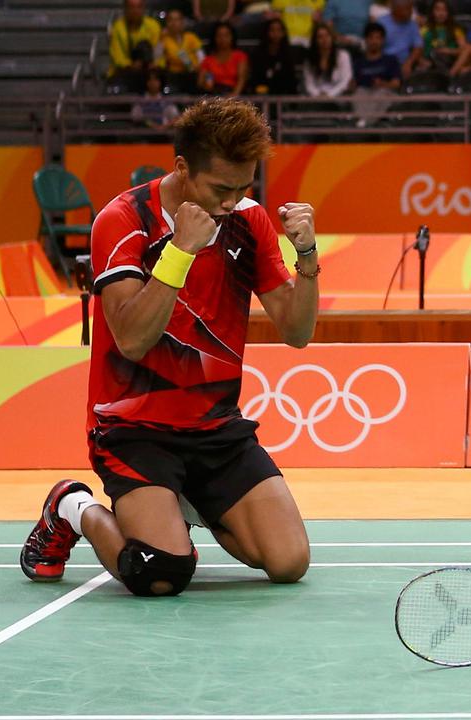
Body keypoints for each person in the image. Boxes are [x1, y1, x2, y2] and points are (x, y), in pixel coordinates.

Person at [19, 97, 320, 597]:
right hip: (133, 428)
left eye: (243, 187)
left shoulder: (248, 220)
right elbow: (133, 340)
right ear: (182, 168)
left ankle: (181, 506)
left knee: (288, 562)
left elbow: (297, 331)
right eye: (221, 188)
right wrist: (181, 250)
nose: (232, 201)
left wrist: (306, 254)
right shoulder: (122, 220)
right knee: (159, 573)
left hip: (215, 426)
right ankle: (72, 507)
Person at [351, 22, 400, 125]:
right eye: (371, 38)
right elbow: (355, 85)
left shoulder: (391, 60)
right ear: (366, 39)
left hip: (385, 93)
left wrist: (383, 84)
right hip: (365, 94)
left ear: (383, 40)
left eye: (378, 38)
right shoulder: (358, 62)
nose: (374, 41)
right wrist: (351, 85)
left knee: (381, 93)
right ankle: (367, 122)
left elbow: (396, 83)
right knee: (359, 92)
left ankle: (365, 123)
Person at [109, 0, 161, 89]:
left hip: (149, 71)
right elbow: (117, 57)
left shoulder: (153, 25)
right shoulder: (118, 27)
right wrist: (131, 65)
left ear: (144, 8)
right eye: (131, 7)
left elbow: (159, 52)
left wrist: (154, 63)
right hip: (124, 73)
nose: (135, 10)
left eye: (139, 7)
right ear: (125, 9)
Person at [248, 17, 299, 94]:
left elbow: (291, 80)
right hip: (261, 95)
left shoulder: (288, 54)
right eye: (272, 30)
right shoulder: (257, 53)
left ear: (283, 33)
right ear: (266, 32)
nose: (276, 33)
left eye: (279, 30)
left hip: (283, 95)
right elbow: (255, 78)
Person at [303, 22, 353, 97]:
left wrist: (329, 95)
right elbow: (309, 84)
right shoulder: (309, 60)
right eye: (320, 37)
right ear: (315, 40)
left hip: (338, 98)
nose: (324, 39)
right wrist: (318, 95)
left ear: (332, 37)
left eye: (327, 35)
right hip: (316, 98)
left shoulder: (343, 56)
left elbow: (345, 81)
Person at [198, 21, 249, 95]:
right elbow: (200, 82)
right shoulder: (207, 60)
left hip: (235, 98)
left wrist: (233, 97)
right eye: (219, 35)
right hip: (214, 97)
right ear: (214, 38)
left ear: (232, 37)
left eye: (226, 35)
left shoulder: (240, 56)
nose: (223, 39)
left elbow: (242, 79)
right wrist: (206, 85)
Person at [419, 0, 467, 72]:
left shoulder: (456, 29)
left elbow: (464, 50)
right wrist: (422, 61)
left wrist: (448, 51)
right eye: (437, 10)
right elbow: (417, 50)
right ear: (432, 12)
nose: (441, 13)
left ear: (448, 13)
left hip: (450, 63)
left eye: (444, 10)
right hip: (430, 62)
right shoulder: (424, 30)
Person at [379, 0, 425, 72]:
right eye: (408, 9)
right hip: (384, 63)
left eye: (411, 9)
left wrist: (408, 63)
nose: (411, 12)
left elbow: (418, 46)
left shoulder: (412, 25)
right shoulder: (381, 23)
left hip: (404, 63)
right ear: (396, 9)